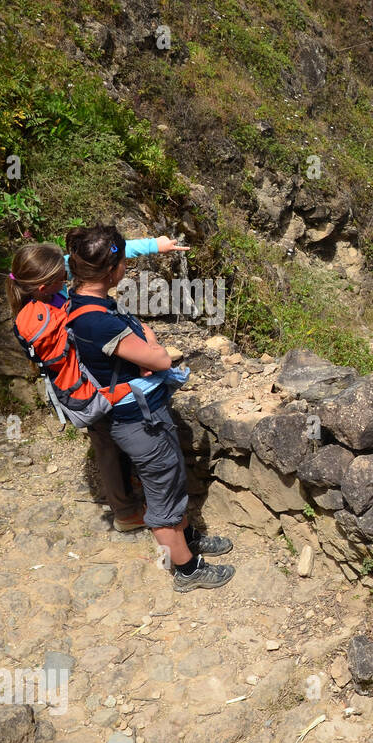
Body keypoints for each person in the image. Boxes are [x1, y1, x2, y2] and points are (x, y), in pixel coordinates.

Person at [64, 224, 236, 591]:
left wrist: (139, 338)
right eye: (123, 261)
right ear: (111, 270)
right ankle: (187, 570)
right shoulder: (97, 321)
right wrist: (148, 339)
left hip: (138, 416)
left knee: (171, 483)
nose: (126, 266)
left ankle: (186, 538)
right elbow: (159, 358)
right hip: (139, 422)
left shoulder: (78, 296)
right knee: (161, 494)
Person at [6, 235, 189, 532]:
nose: (70, 274)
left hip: (88, 383)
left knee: (109, 444)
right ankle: (127, 513)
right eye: (63, 275)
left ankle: (129, 499)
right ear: (44, 286)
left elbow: (98, 255)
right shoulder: (42, 318)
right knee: (107, 444)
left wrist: (155, 244)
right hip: (89, 389)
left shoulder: (45, 283)